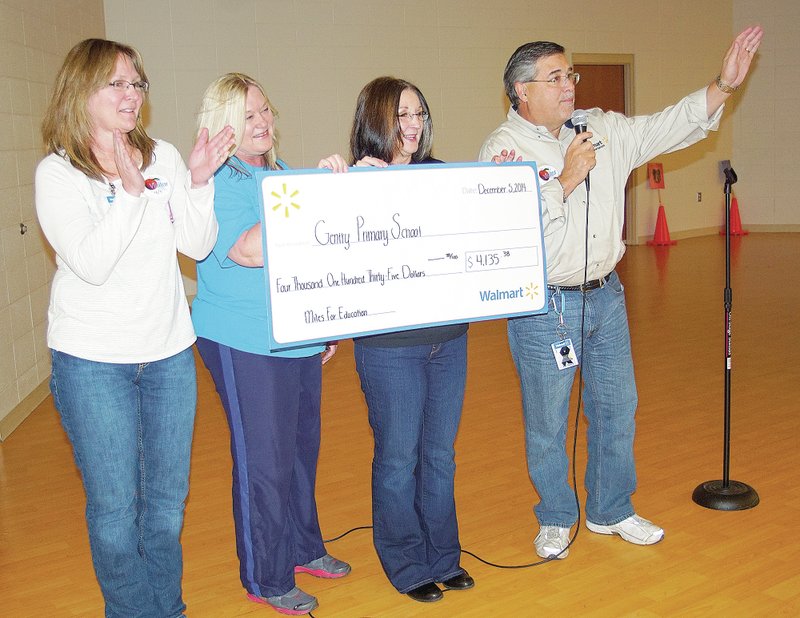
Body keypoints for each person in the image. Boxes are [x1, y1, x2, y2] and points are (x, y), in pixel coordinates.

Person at [478, 26, 764, 560]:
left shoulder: (600, 129)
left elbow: (669, 125)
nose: (570, 87)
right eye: (556, 78)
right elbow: (510, 234)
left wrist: (723, 86)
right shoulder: (502, 150)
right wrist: (565, 178)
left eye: (572, 75)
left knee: (616, 407)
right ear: (522, 90)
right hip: (545, 307)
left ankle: (611, 508)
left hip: (606, 297)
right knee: (547, 420)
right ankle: (557, 517)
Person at [35, 39, 234, 617]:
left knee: (167, 507)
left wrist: (196, 182)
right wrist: (129, 195)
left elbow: (195, 244)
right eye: (117, 83)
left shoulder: (164, 156)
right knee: (118, 510)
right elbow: (91, 263)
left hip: (169, 354)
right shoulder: (58, 174)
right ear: (81, 91)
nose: (132, 94)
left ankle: (166, 609)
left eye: (137, 82)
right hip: (92, 362)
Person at [192, 73, 351, 616]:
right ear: (223, 127)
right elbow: (247, 249)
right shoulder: (222, 180)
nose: (261, 124)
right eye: (246, 117)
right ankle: (265, 575)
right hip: (242, 339)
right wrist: (318, 196)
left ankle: (304, 547)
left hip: (295, 333)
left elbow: (313, 254)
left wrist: (323, 320)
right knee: (263, 459)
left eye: (265, 112)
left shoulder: (280, 173)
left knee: (301, 452)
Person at [349, 76, 474, 604]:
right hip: (389, 347)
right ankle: (404, 562)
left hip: (448, 339)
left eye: (419, 112)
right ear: (376, 119)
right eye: (401, 114)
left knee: (440, 454)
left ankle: (444, 555)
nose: (413, 123)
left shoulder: (441, 177)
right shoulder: (352, 186)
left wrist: (503, 186)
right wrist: (348, 192)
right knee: (399, 457)